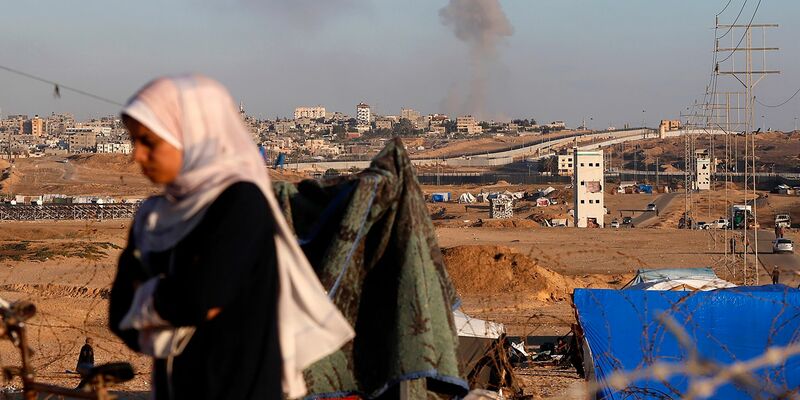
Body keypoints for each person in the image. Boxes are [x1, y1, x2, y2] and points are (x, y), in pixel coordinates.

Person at [109, 75, 353, 399]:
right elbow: (120, 316)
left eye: (149, 142)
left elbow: (199, 298)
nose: (137, 155)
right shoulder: (154, 217)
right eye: (133, 142)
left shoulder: (241, 202)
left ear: (193, 137)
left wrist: (148, 294)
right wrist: (174, 298)